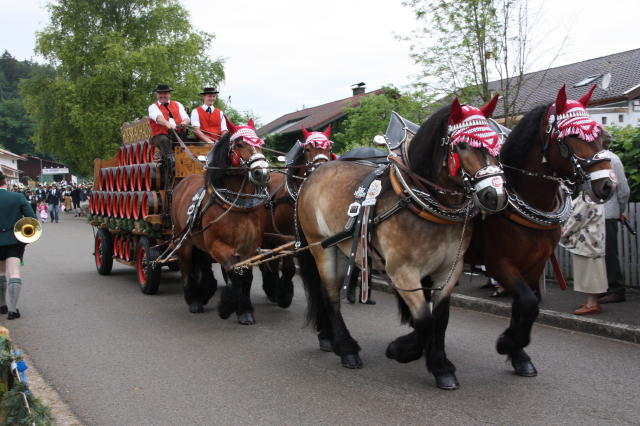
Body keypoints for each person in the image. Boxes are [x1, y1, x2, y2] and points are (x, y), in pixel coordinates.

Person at [561, 194, 607, 315]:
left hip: (587, 241)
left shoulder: (587, 198)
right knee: (594, 271)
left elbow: (577, 218)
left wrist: (563, 232)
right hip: (595, 239)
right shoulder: (597, 197)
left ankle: (592, 304)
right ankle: (592, 302)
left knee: (589, 273)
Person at [0, 171, 37, 319]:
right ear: (5, 182)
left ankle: (2, 305)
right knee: (14, 272)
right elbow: (32, 219)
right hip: (14, 240)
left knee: (0, 272)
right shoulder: (18, 197)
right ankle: (13, 310)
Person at [599, 133, 631, 304]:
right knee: (604, 253)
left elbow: (624, 190)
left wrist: (621, 210)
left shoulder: (611, 159)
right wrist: (621, 210)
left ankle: (616, 290)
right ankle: (607, 289)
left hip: (606, 214)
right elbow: (623, 190)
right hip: (606, 213)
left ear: (599, 141)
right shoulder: (611, 159)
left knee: (608, 254)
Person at [147, 84, 190, 161]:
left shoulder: (177, 104)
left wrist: (184, 123)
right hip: (160, 135)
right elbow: (159, 118)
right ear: (157, 94)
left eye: (165, 93)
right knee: (164, 140)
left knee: (193, 141)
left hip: (179, 134)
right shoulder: (153, 107)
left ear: (169, 94)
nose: (163, 96)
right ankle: (169, 161)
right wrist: (167, 124)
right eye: (160, 93)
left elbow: (186, 118)